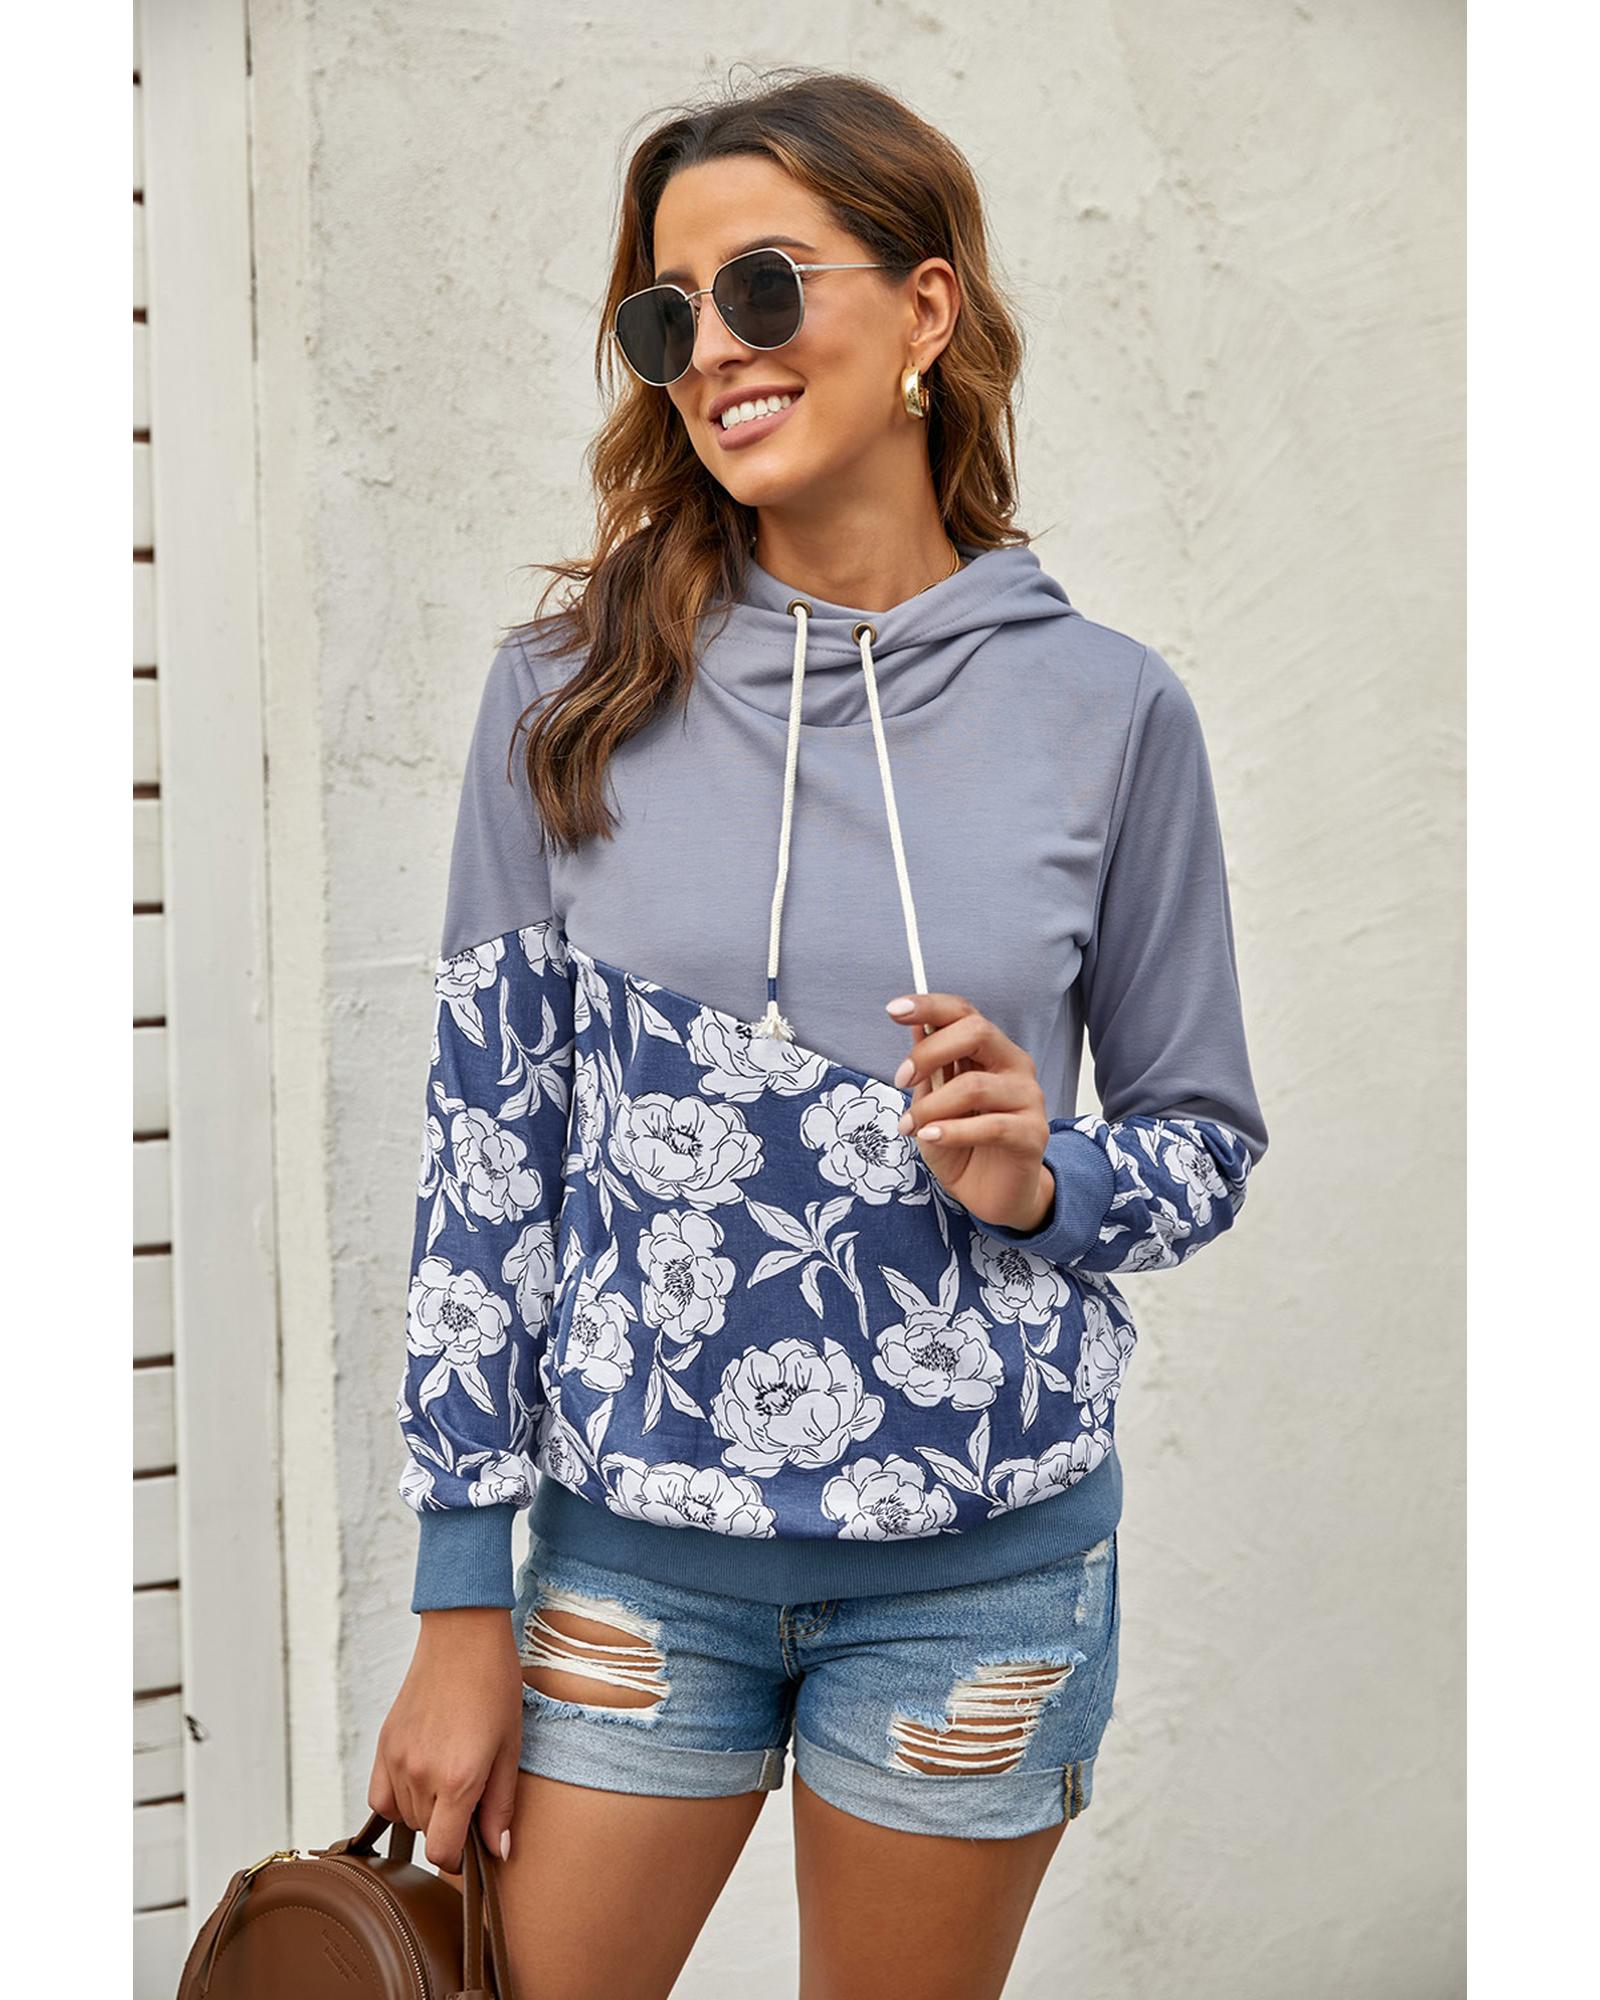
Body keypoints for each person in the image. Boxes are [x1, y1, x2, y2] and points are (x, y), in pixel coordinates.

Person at [370, 67, 1267, 2000]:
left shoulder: (1110, 713)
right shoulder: (565, 695)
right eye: (666, 315)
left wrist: (1047, 1178)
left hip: (982, 1585)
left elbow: (1204, 1140)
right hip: (631, 1573)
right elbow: (484, 1165)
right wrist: (458, 1599)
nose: (714, 349)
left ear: (927, 307)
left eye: (764, 287)